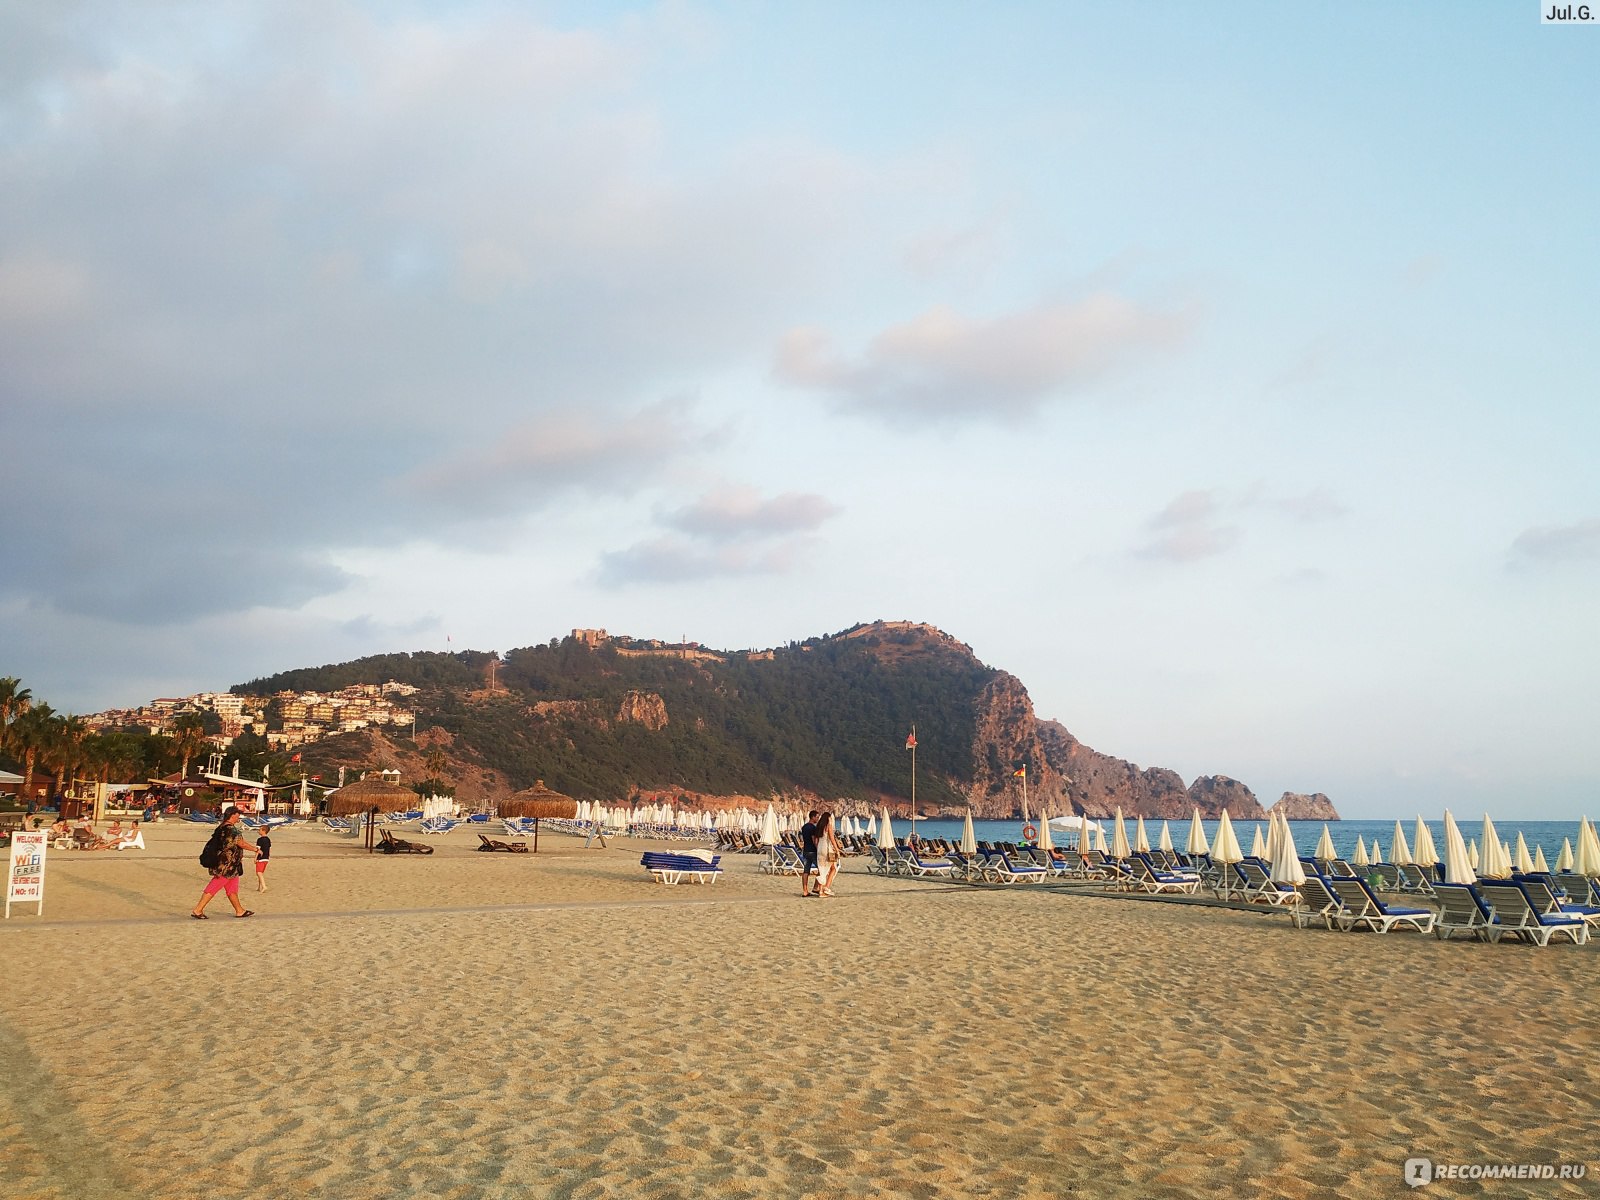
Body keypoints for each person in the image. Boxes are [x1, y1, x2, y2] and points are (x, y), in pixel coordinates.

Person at [189, 807, 259, 919]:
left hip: (230, 864)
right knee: (214, 886)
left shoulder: (221, 827)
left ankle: (239, 910)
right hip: (227, 864)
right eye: (237, 815)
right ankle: (198, 910)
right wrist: (255, 849)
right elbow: (241, 843)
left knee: (232, 889)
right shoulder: (232, 829)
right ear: (232, 815)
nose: (238, 817)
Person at [815, 811, 843, 897]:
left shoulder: (818, 827)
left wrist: (818, 849)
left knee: (822, 869)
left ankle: (820, 891)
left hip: (819, 849)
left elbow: (816, 841)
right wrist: (837, 850)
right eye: (830, 818)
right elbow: (832, 839)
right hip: (827, 850)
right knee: (833, 868)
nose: (831, 820)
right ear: (828, 819)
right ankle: (826, 887)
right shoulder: (828, 826)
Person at [798, 809, 820, 897]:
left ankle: (805, 890)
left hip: (805, 851)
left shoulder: (804, 827)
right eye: (817, 817)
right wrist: (818, 849)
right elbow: (814, 840)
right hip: (812, 851)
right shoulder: (813, 828)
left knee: (806, 871)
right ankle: (815, 887)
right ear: (813, 817)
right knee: (822, 869)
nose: (818, 819)